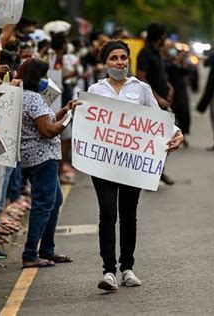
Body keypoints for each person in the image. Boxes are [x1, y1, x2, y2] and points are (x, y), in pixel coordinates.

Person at [88, 40, 183, 291]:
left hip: (132, 164)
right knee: (108, 213)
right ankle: (108, 271)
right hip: (103, 163)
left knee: (129, 215)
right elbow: (86, 126)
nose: (119, 62)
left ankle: (127, 268)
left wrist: (176, 133)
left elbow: (157, 119)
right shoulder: (94, 91)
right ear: (104, 62)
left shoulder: (141, 89)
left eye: (123, 57)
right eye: (113, 58)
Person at [16, 58, 80, 268]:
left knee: (54, 202)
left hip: (38, 157)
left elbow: (48, 120)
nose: (46, 80)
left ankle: (47, 249)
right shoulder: (33, 98)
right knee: (44, 204)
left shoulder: (26, 96)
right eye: (43, 76)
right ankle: (30, 253)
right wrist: (70, 119)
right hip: (41, 157)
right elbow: (48, 130)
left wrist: (65, 111)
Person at [136, 22, 175, 185]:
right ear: (158, 36)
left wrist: (169, 87)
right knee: (157, 139)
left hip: (164, 100)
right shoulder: (145, 53)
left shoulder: (156, 52)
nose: (165, 37)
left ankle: (159, 170)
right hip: (154, 103)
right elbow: (141, 77)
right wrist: (157, 98)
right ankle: (152, 172)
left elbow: (160, 74)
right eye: (163, 34)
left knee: (166, 137)